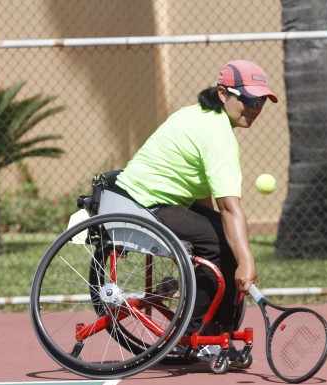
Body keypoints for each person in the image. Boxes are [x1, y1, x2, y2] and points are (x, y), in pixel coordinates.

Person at [115, 60, 278, 337]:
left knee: (220, 238)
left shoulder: (198, 115)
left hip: (136, 200)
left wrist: (219, 241)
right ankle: (196, 334)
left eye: (261, 101)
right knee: (219, 242)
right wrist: (246, 261)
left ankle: (216, 331)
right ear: (223, 93)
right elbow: (228, 208)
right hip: (144, 204)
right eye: (249, 98)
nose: (255, 107)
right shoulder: (218, 135)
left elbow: (202, 196)